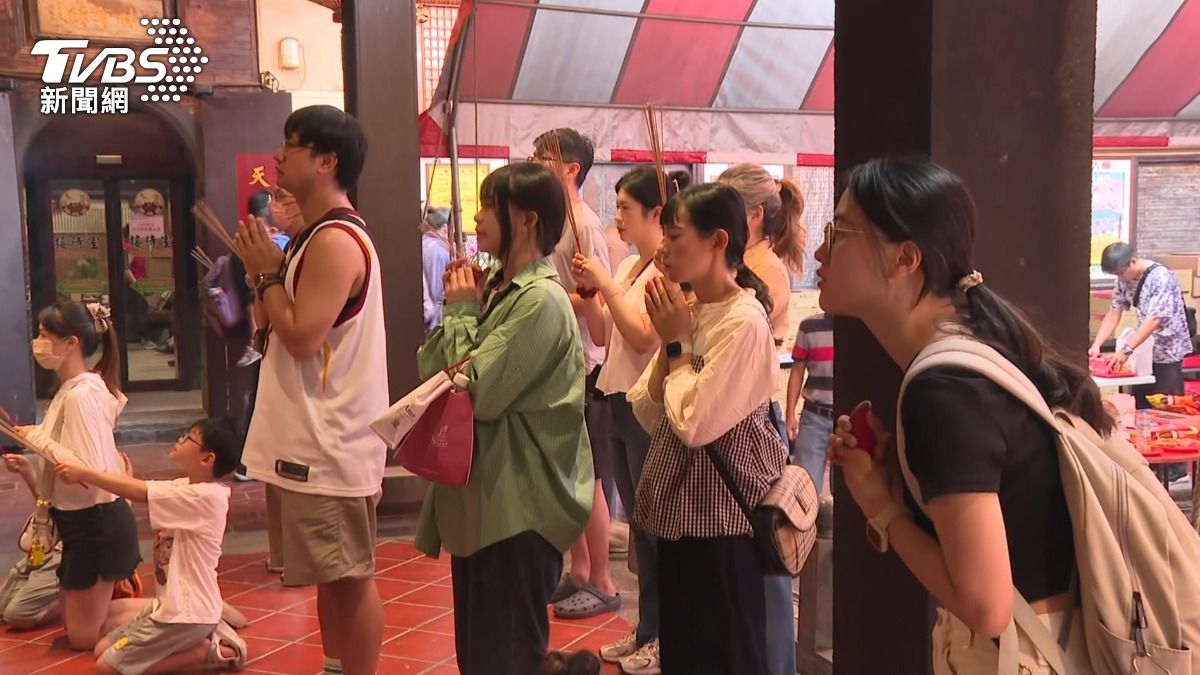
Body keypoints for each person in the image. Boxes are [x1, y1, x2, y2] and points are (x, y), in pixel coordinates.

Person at [820, 158, 1096, 671]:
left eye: (838, 232)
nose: (820, 251)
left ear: (905, 258)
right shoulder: (967, 356)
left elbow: (987, 608)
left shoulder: (943, 389)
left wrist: (880, 504)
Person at [416, 163, 593, 675]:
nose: (477, 217)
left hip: (519, 507)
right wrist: (461, 311)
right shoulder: (496, 287)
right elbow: (433, 371)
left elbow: (477, 393)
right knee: (479, 655)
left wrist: (460, 314)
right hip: (484, 499)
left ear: (528, 219)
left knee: (506, 657)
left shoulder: (542, 301)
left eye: (491, 206)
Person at [232, 105, 387, 675]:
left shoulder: (335, 240)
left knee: (349, 578)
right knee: (331, 577)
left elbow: (300, 338)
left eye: (291, 145)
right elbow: (273, 329)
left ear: (327, 162)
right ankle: (335, 666)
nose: (277, 156)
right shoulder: (311, 237)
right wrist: (264, 275)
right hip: (311, 438)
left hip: (331, 442)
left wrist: (267, 273)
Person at [629, 183, 786, 674]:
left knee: (725, 656)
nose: (663, 249)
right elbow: (649, 413)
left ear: (717, 241)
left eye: (675, 237)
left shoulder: (744, 321)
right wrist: (672, 339)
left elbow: (694, 424)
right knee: (686, 655)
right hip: (681, 521)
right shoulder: (692, 310)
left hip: (723, 526)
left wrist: (678, 344)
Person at [575, 166, 689, 674]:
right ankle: (647, 629)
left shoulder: (667, 271)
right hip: (617, 398)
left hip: (649, 406)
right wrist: (591, 297)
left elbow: (644, 338)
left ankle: (663, 635)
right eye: (617, 207)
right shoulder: (626, 267)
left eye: (626, 208)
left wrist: (605, 284)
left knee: (656, 526)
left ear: (655, 213)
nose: (617, 217)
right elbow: (605, 335)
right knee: (640, 527)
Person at [54, 417, 247, 675]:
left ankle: (208, 651)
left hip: (187, 615)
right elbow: (141, 489)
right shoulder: (187, 486)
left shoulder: (206, 497)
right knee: (102, 649)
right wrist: (123, 478)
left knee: (106, 667)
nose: (180, 439)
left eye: (189, 437)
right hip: (170, 608)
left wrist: (84, 473)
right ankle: (203, 634)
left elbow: (140, 493)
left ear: (207, 459)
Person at [717, 162, 806, 675]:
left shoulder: (766, 271)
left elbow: (733, 335)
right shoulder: (740, 262)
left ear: (752, 215)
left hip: (754, 418)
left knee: (768, 557)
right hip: (734, 415)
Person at [12, 301, 141, 651]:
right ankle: (175, 613)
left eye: (44, 335)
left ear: (71, 343)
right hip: (77, 523)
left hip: (96, 523)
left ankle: (188, 616)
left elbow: (87, 472)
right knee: (79, 629)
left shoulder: (81, 395)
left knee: (83, 637)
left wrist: (36, 438)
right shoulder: (72, 390)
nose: (38, 342)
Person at [530, 128, 619, 619]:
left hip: (586, 367)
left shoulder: (585, 224)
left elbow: (598, 301)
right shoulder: (555, 222)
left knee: (591, 480)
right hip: (559, 365)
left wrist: (545, 297)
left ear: (571, 169)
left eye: (544, 157)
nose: (535, 163)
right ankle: (580, 569)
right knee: (568, 476)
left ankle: (603, 579)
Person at [1091, 242, 1192, 405]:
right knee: (1139, 403)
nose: (1120, 278)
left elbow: (1155, 318)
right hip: (1143, 349)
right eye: (1116, 275)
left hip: (1167, 350)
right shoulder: (1123, 279)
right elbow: (1115, 310)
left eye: (1121, 273)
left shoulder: (1161, 277)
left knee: (1164, 404)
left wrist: (1127, 350)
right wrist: (1097, 344)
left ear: (1133, 261)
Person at [785, 312, 834, 492]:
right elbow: (797, 371)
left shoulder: (861, 325)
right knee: (806, 487)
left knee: (851, 492)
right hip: (815, 416)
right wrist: (790, 414)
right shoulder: (809, 326)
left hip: (849, 418)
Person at [421, 206, 452, 332]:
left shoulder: (422, 243)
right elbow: (436, 293)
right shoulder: (438, 251)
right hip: (433, 322)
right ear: (445, 228)